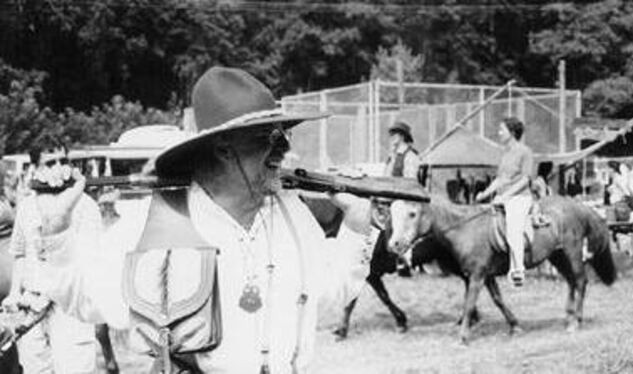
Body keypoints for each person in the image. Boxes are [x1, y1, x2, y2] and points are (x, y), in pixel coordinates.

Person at [19, 67, 365, 373]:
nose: (284, 150)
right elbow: (88, 299)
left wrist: (357, 225)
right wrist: (56, 232)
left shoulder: (292, 213)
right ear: (223, 148)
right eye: (268, 138)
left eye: (283, 136)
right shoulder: (159, 221)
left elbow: (331, 290)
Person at [2, 137, 100, 373]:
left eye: (63, 161)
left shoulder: (85, 205)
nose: (59, 168)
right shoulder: (26, 207)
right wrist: (15, 293)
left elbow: (88, 261)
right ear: (36, 168)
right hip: (30, 308)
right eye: (50, 162)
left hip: (69, 308)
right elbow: (20, 254)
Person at [475, 117, 534, 286]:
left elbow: (525, 179)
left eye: (502, 130)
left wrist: (507, 196)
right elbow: (500, 179)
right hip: (502, 197)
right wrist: (485, 193)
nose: (499, 133)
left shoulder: (525, 152)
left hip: (519, 198)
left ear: (512, 133)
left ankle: (518, 270)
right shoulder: (505, 153)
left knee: (514, 230)